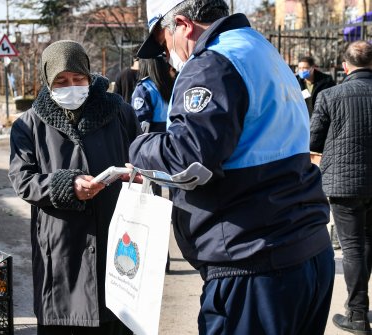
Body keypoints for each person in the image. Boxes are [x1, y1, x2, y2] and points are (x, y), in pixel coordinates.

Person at [131, 1, 334, 334]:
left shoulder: (212, 63)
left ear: (183, 24)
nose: (167, 56)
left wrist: (138, 147)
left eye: (163, 43)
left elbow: (189, 154)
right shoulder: (259, 48)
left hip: (254, 264)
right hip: (304, 249)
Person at [8, 40, 140, 335]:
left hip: (116, 242)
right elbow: (23, 180)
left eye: (78, 79)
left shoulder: (120, 114)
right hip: (60, 248)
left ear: (89, 76)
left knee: (115, 318)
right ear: (47, 81)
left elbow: (143, 157)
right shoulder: (29, 125)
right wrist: (67, 185)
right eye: (61, 81)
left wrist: (139, 173)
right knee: (65, 320)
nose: (72, 86)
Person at [310, 41, 372, 335]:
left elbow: (313, 141)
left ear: (345, 66)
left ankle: (358, 314)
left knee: (351, 247)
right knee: (367, 242)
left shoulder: (330, 95)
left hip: (345, 183)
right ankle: (360, 307)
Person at [131, 56, 175, 134]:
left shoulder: (144, 87)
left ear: (145, 65)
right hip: (172, 134)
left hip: (153, 138)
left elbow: (141, 121)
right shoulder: (172, 84)